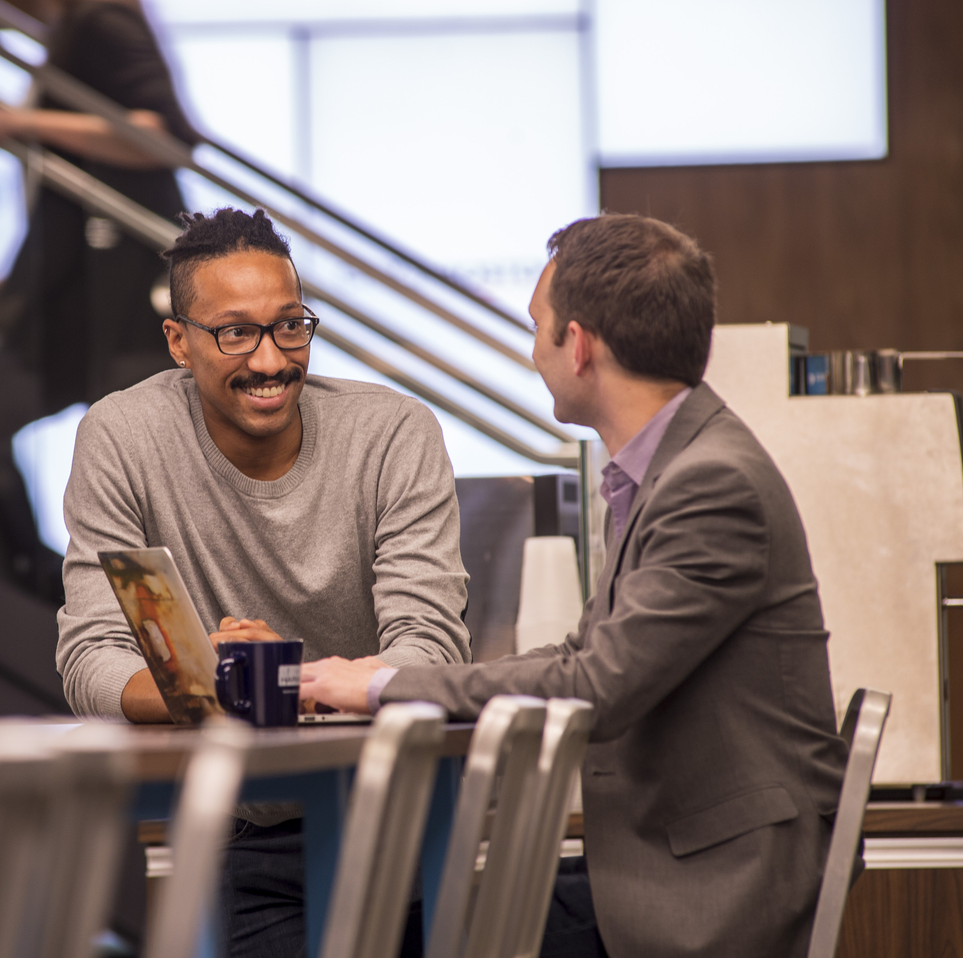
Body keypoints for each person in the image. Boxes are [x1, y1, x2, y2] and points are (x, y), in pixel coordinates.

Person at [302, 214, 849, 958]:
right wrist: (393, 675)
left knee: (401, 931)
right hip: (677, 858)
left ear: (580, 344)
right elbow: (584, 652)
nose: (534, 353)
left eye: (538, 328)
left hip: (716, 891)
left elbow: (598, 684)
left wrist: (382, 686)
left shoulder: (708, 484)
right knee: (408, 917)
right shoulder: (669, 470)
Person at [57, 207, 471, 956]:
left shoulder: (393, 433)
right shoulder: (124, 438)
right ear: (178, 341)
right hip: (245, 836)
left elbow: (433, 652)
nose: (273, 359)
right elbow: (93, 659)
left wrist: (271, 679)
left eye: (290, 326)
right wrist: (209, 682)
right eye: (235, 332)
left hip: (403, 821)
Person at [0, 0, 200, 602]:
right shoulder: (72, 28)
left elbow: (165, 138)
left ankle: (134, 631)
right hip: (73, 292)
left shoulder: (100, 18)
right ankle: (52, 595)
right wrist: (16, 281)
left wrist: (25, 125)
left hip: (122, 296)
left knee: (133, 483)